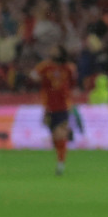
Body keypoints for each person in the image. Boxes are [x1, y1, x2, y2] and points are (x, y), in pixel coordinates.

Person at [32, 45, 76, 176]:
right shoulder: (45, 66)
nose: (52, 51)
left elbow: (72, 83)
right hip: (49, 106)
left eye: (55, 49)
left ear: (61, 52)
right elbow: (33, 76)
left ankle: (61, 164)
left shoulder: (68, 68)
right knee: (54, 137)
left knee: (59, 134)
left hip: (63, 106)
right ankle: (60, 156)